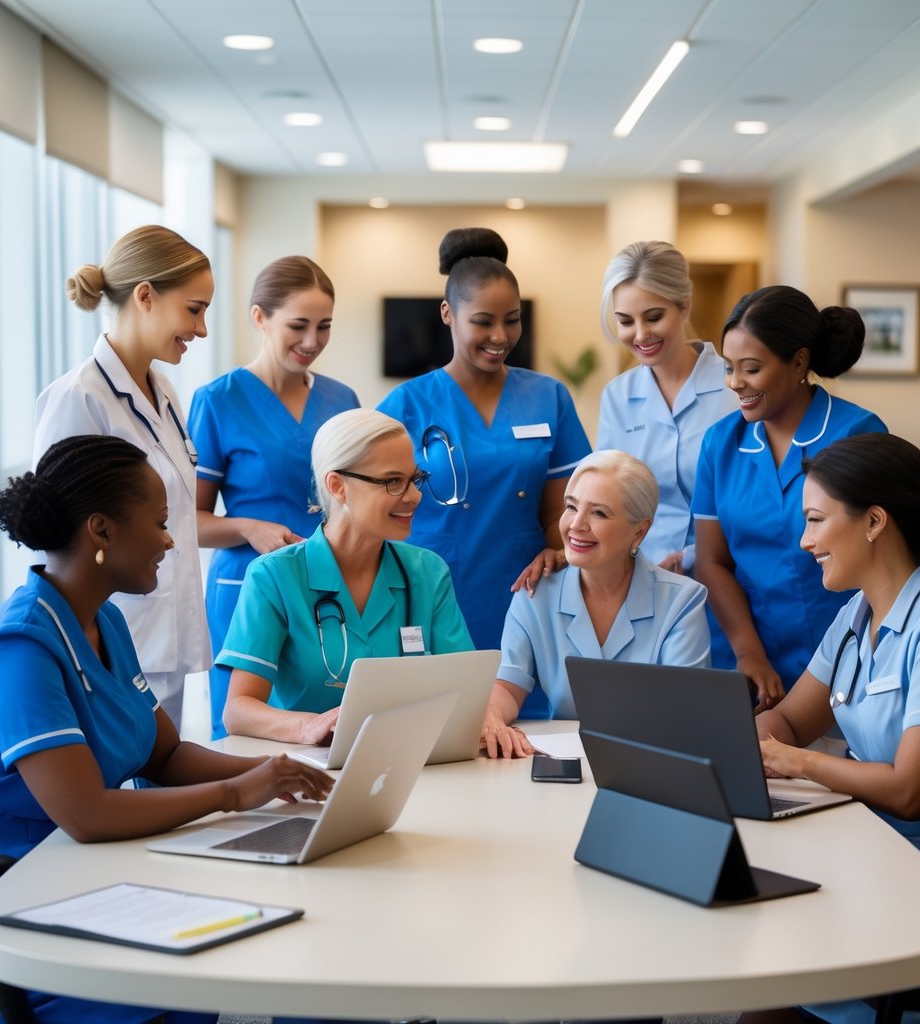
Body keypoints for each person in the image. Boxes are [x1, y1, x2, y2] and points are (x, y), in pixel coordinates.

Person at [0, 435, 332, 1024]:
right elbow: (87, 815)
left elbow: (164, 756)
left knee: (268, 941)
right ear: (102, 531)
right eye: (161, 522)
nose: (170, 539)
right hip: (14, 909)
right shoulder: (20, 646)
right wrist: (238, 794)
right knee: (203, 985)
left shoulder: (103, 620)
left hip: (93, 880)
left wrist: (281, 775)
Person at [752, 433, 920, 1024]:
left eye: (815, 520)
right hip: (879, 857)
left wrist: (796, 761)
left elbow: (911, 792)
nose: (805, 541)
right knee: (755, 917)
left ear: (874, 521)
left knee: (777, 937)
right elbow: (790, 718)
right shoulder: (855, 615)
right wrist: (744, 739)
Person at [377, 227, 591, 717]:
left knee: (525, 727)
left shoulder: (548, 396)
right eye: (484, 321)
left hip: (527, 589)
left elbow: (562, 506)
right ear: (448, 315)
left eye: (513, 321)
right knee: (435, 724)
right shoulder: (405, 404)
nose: (501, 337)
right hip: (431, 588)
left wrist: (558, 551)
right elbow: (376, 509)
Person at [33, 224, 213, 729]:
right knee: (119, 792)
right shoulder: (79, 397)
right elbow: (54, 533)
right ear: (145, 296)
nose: (201, 330)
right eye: (194, 310)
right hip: (110, 634)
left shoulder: (168, 395)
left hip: (165, 630)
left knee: (164, 785)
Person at [220, 408, 474, 744]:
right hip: (307, 774)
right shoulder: (274, 576)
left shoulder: (428, 573)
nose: (414, 496)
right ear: (338, 486)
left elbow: (466, 692)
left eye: (415, 479)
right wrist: (308, 727)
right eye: (393, 481)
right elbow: (238, 711)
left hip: (412, 763)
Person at [188, 255, 360, 739]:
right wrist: (246, 526)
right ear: (260, 317)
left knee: (327, 726)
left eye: (324, 327)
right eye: (298, 326)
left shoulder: (342, 400)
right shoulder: (218, 401)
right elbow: (186, 520)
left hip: (327, 589)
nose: (312, 342)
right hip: (246, 588)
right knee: (246, 732)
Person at [692, 285, 886, 709]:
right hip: (744, 666)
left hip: (844, 658)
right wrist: (748, 652)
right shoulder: (719, 444)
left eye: (751, 368)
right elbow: (712, 561)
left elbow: (885, 559)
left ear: (799, 362)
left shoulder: (857, 435)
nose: (735, 383)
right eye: (729, 367)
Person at [481, 451, 711, 758]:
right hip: (563, 766)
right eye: (571, 507)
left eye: (599, 513)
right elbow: (508, 686)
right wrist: (491, 718)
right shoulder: (534, 594)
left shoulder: (683, 602)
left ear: (639, 531)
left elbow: (687, 712)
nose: (576, 525)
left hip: (652, 768)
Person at [596, 241, 736, 573]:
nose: (640, 334)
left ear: (684, 307)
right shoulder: (617, 396)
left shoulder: (735, 386)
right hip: (640, 575)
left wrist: (692, 555)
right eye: (626, 321)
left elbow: (751, 498)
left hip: (729, 574)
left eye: (654, 317)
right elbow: (610, 496)